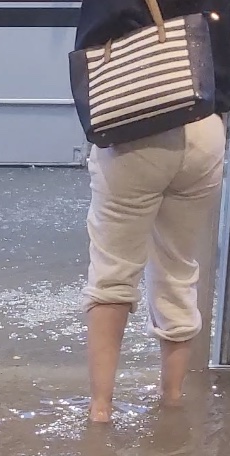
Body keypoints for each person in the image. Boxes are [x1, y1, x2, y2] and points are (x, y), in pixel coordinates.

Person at [74, 0, 230, 422]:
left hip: (137, 126)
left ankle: (101, 409)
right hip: (205, 124)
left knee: (113, 270)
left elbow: (91, 45)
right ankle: (173, 399)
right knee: (179, 268)